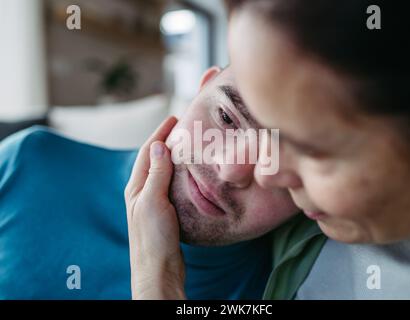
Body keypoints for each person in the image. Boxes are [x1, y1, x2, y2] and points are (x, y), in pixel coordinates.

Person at [128, 1, 410, 299]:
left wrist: (156, 288)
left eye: (309, 147)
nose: (270, 175)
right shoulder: (301, 232)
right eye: (228, 116)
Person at [0, 66, 303, 299]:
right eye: (226, 117)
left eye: (278, 158)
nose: (229, 169)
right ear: (202, 87)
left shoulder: (293, 283)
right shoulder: (26, 162)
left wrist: (157, 283)